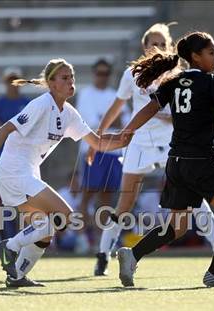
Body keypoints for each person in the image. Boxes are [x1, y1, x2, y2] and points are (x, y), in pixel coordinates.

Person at [91, 23, 214, 276]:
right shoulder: (212, 81)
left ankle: (134, 254)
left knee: (178, 225)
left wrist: (125, 132)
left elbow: (150, 108)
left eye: (162, 43)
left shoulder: (174, 78)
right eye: (212, 52)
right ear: (196, 56)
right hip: (198, 157)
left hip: (174, 156)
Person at [0, 58, 132, 288]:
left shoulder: (68, 113)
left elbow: (97, 143)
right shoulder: (41, 104)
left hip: (27, 173)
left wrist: (126, 140)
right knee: (66, 216)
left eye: (72, 77)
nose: (71, 82)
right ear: (52, 83)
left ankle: (16, 275)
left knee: (45, 232)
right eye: (65, 78)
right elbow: (4, 128)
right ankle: (9, 247)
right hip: (13, 171)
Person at [75, 59, 127, 254]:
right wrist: (113, 121)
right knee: (87, 195)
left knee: (106, 199)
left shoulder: (115, 95)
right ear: (94, 73)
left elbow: (125, 121)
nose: (102, 76)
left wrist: (109, 122)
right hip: (93, 150)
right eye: (99, 73)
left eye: (105, 73)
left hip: (113, 152)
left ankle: (99, 241)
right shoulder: (85, 94)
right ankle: (81, 238)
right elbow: (92, 123)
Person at [0, 67, 30, 252]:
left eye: (16, 79)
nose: (13, 84)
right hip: (1, 159)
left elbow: (27, 131)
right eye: (10, 80)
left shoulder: (28, 104)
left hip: (22, 159)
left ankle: (21, 238)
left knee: (23, 201)